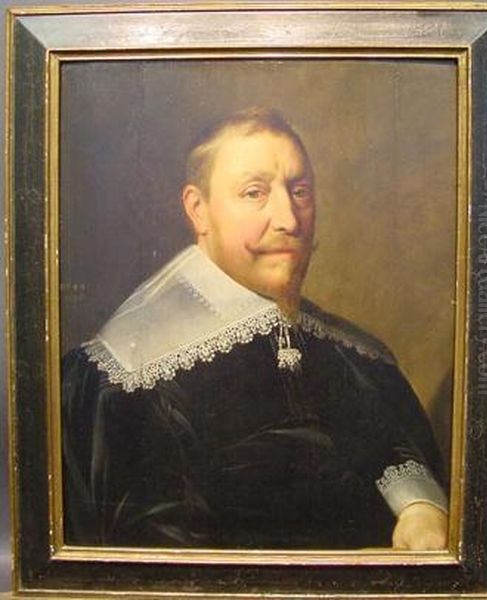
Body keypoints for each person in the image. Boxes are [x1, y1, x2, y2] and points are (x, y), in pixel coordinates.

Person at [62, 107, 448, 551]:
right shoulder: (120, 379)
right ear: (198, 210)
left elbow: (397, 453)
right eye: (254, 193)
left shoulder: (357, 355)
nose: (289, 220)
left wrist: (421, 509)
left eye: (299, 191)